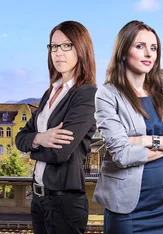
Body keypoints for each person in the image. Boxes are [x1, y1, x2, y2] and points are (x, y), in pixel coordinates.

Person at [93, 20, 163, 234]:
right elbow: (122, 155)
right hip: (126, 210)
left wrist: (146, 140)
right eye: (140, 46)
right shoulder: (108, 95)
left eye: (153, 47)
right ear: (123, 51)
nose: (149, 53)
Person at [15, 20, 97, 234]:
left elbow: (60, 153)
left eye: (66, 46)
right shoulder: (50, 92)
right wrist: (41, 138)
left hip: (64, 202)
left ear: (81, 48)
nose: (58, 52)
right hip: (39, 200)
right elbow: (19, 138)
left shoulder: (86, 94)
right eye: (53, 46)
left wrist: (31, 145)